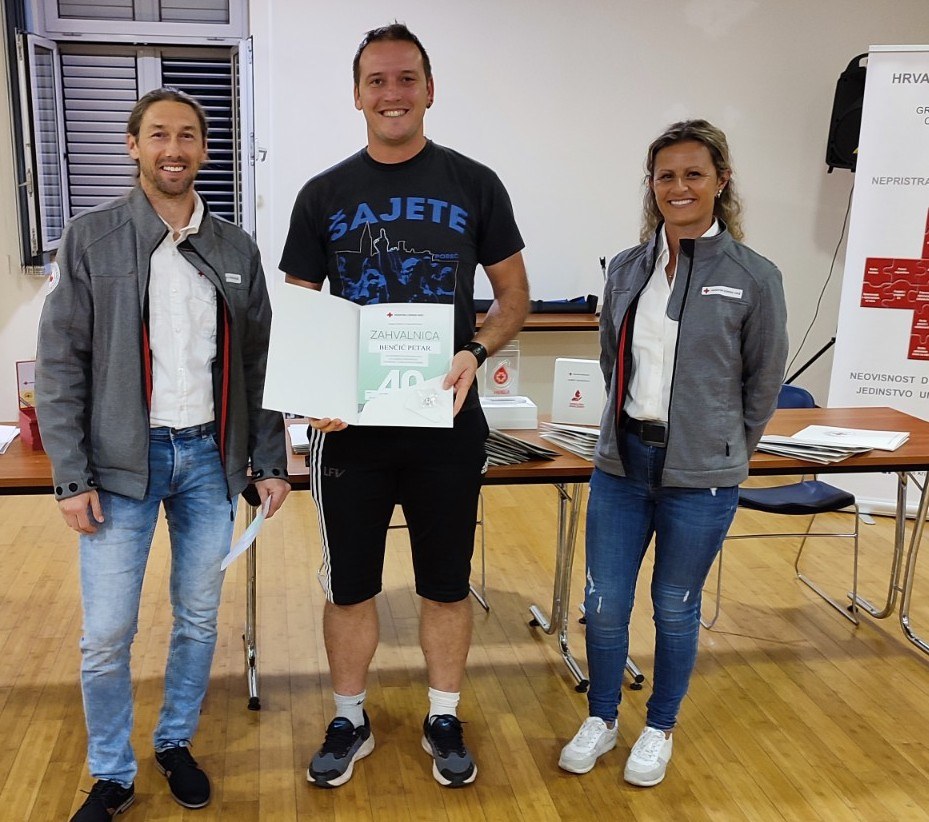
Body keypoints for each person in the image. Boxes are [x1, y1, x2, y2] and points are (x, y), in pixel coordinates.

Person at [279, 23, 529, 789]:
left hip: (444, 425)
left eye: (406, 78)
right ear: (357, 95)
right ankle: (348, 717)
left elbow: (513, 297)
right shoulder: (322, 194)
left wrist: (475, 351)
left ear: (429, 89)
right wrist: (315, 389)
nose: (392, 93)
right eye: (377, 80)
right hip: (349, 432)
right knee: (349, 584)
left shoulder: (474, 184)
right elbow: (300, 310)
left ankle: (443, 714)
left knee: (445, 583)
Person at [35, 88, 290, 821]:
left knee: (199, 618)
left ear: (204, 149)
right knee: (107, 634)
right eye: (157, 135)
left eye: (186, 136)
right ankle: (112, 774)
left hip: (209, 461)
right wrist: (71, 477)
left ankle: (175, 741)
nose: (172, 149)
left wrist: (268, 460)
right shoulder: (91, 238)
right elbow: (60, 365)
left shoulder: (236, 248)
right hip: (120, 466)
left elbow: (259, 364)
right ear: (133, 145)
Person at [558, 120, 788, 786]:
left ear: (721, 181)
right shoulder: (627, 268)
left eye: (693, 174)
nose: (678, 187)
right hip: (622, 466)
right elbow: (613, 362)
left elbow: (762, 382)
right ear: (651, 184)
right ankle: (602, 718)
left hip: (700, 475)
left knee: (675, 605)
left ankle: (658, 727)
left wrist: (724, 448)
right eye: (665, 175)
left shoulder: (753, 276)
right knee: (604, 603)